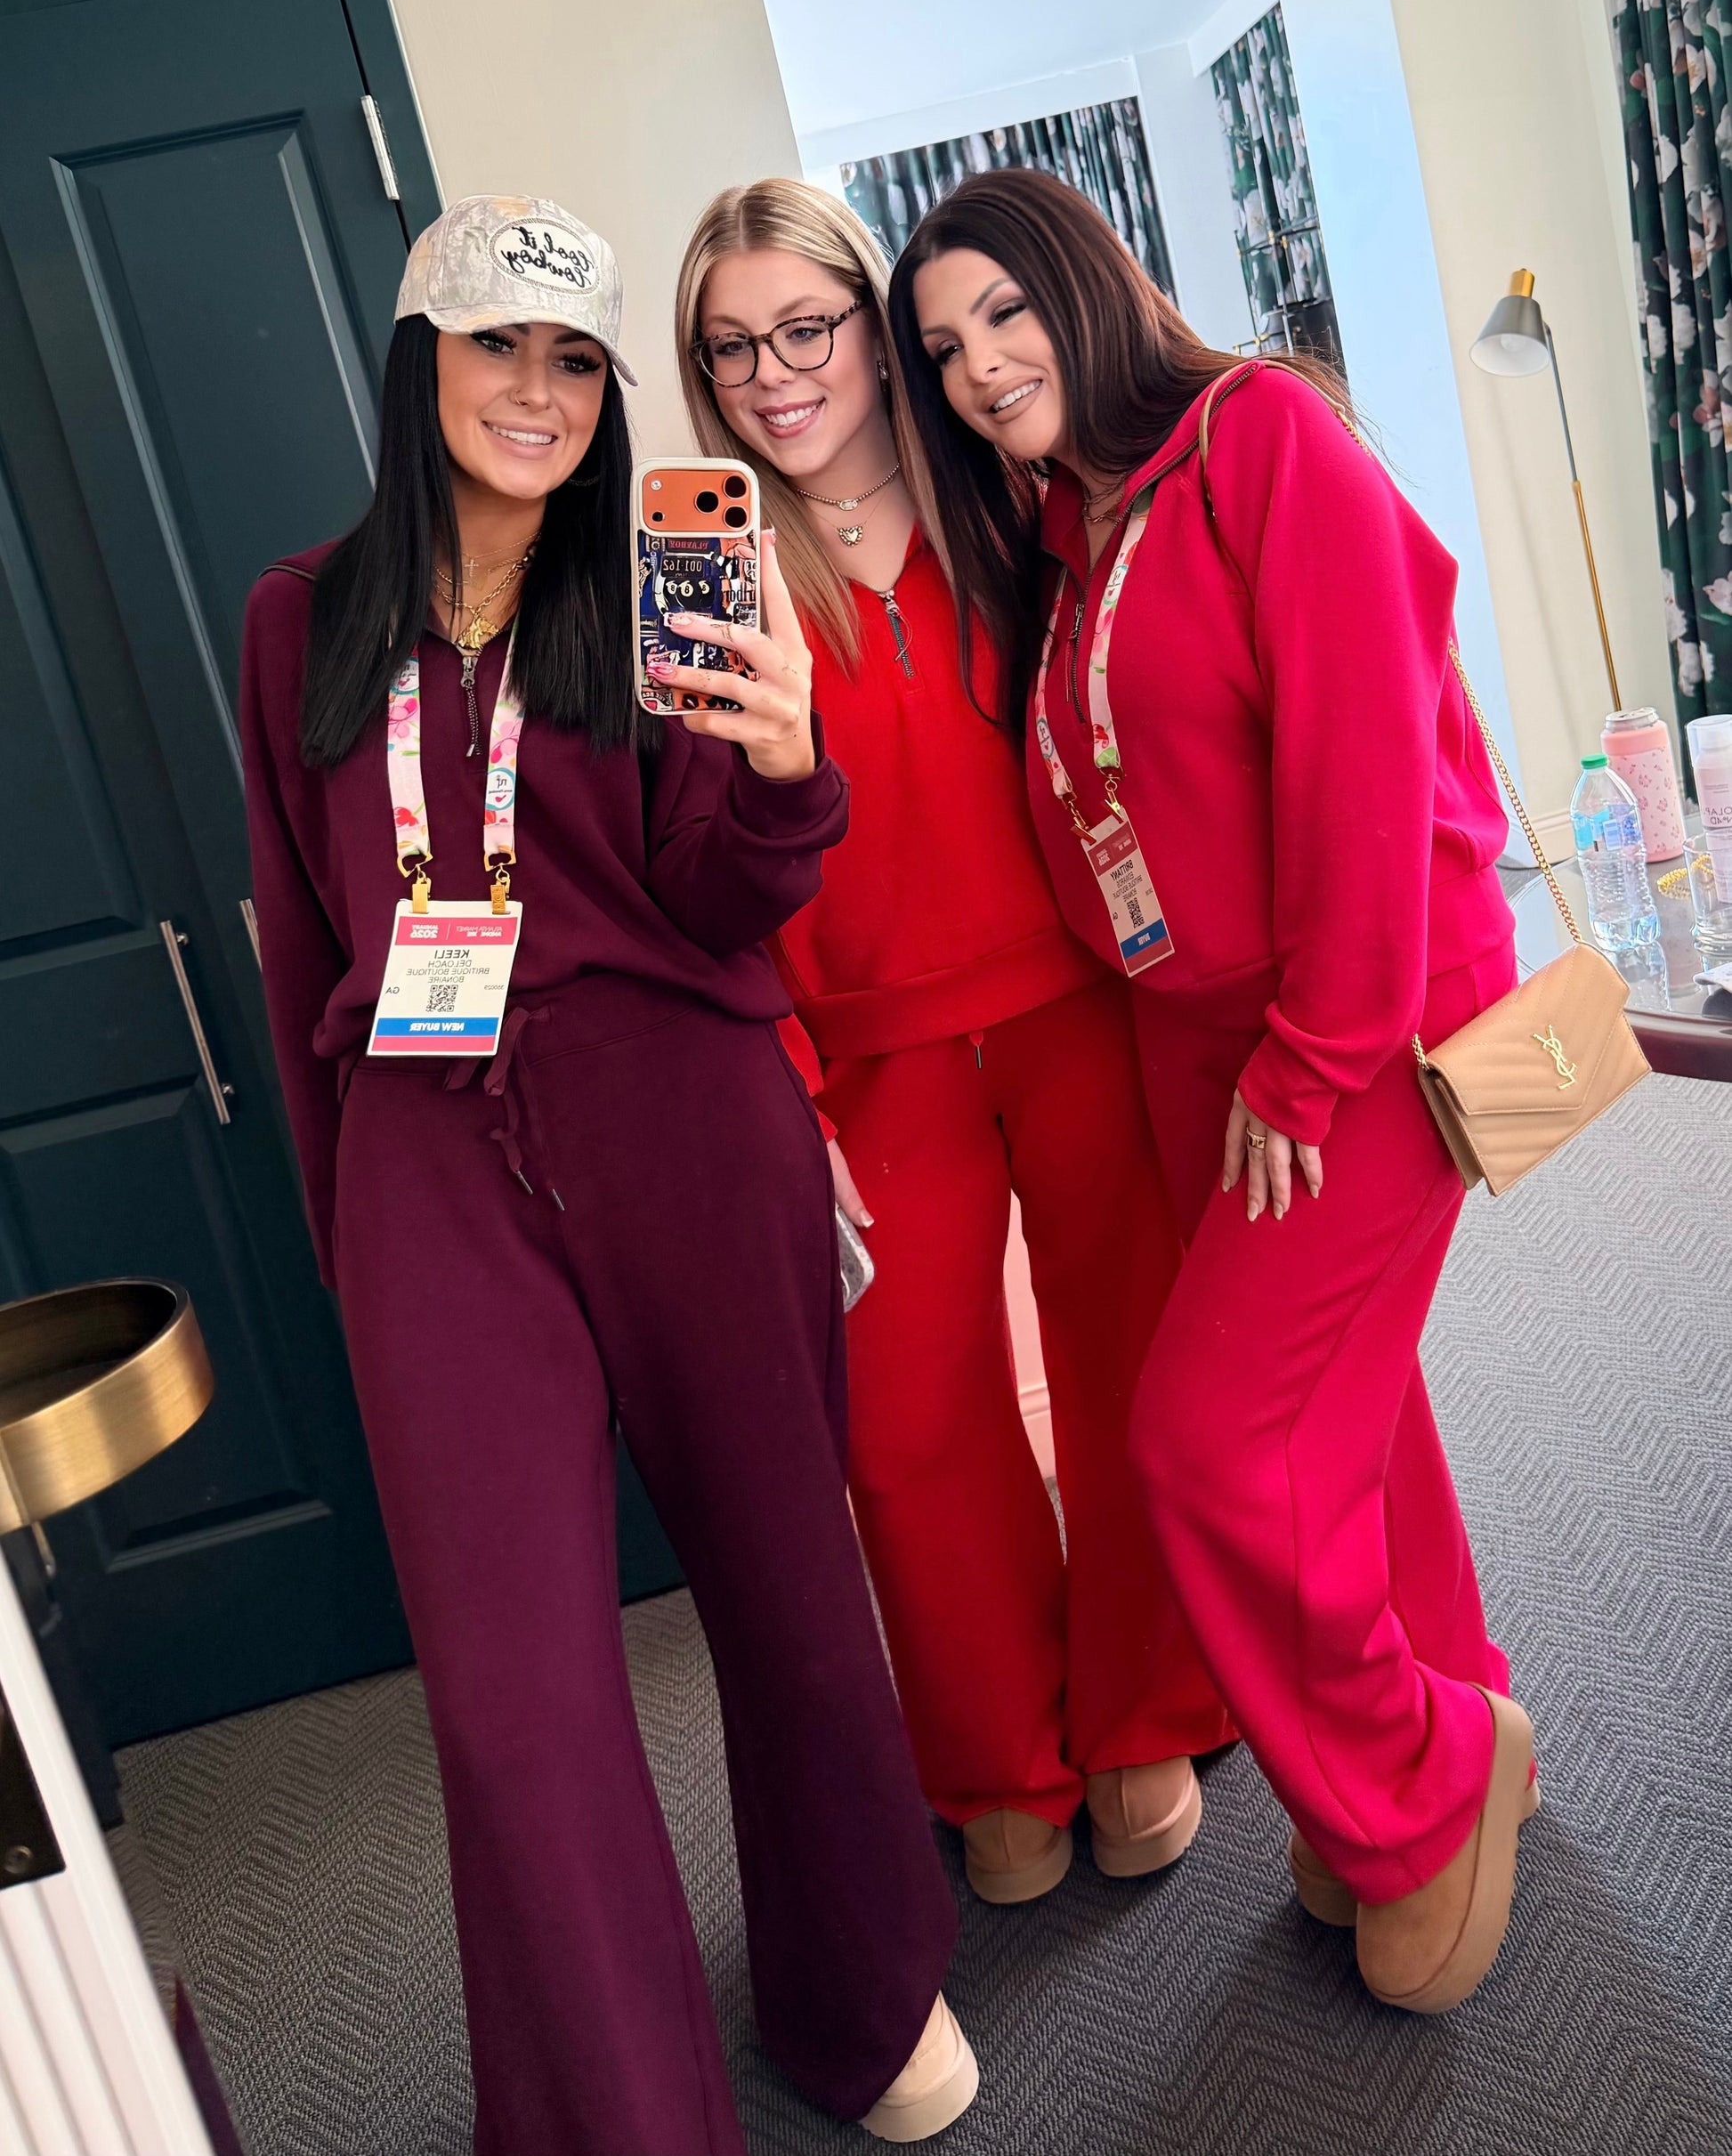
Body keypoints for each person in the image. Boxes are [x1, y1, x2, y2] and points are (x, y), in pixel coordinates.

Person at [239, 195, 975, 2155]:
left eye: (577, 360)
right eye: (499, 349)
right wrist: (347, 1234)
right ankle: (622, 2118)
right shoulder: (296, 621)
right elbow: (295, 939)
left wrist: (790, 766)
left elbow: (720, 901)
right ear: (422, 366)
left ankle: (861, 1980)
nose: (540, 393)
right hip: (423, 1156)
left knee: (785, 1588)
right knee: (511, 1706)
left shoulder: (662, 581)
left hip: (678, 1110)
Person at [890, 166, 1535, 2015]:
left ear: (1087, 287)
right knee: (1347, 1418)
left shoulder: (1258, 436)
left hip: (1346, 1026)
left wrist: (1319, 1059)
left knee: (1208, 1443)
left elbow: (1358, 759)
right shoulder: (1065, 524)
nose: (979, 364)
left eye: (1004, 314)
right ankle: (1457, 1708)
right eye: (941, 347)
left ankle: (1415, 1787)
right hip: (1188, 1036)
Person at [675, 178, 1232, 1909]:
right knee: (909, 1433)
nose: (772, 375)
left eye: (804, 328)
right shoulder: (705, 569)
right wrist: (782, 1100)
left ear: (872, 326)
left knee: (1137, 1363)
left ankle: (1146, 1711)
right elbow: (701, 874)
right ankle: (996, 1752)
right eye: (727, 347)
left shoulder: (1013, 501)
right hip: (868, 1061)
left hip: (1081, 1011)